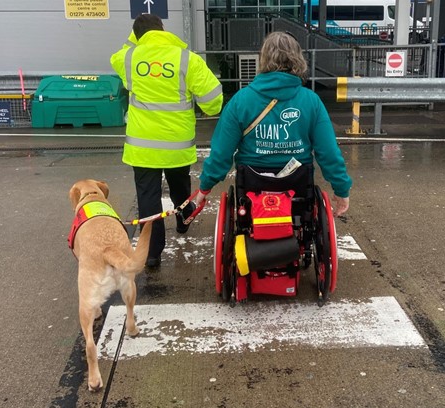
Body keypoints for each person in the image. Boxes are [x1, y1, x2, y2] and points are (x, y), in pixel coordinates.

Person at [110, 14, 223, 271]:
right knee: (180, 188)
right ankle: (183, 219)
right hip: (176, 144)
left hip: (143, 147)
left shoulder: (128, 58)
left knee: (147, 199)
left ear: (136, 36)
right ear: (163, 30)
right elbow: (213, 100)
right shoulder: (186, 59)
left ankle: (151, 254)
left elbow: (119, 54)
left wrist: (136, 38)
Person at [196, 31, 351, 215]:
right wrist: (341, 189)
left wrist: (204, 188)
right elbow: (328, 152)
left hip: (253, 184)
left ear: (263, 58)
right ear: (298, 59)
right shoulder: (311, 101)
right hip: (298, 184)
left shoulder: (241, 100)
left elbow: (221, 152)